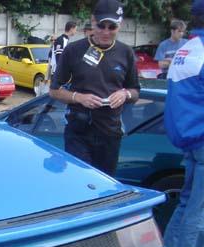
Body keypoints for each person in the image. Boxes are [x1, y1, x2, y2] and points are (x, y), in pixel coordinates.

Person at [49, 0, 140, 177]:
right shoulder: (73, 50)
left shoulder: (126, 52)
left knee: (105, 184)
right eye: (101, 26)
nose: (106, 32)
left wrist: (125, 94)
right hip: (79, 131)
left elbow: (135, 91)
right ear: (92, 21)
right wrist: (79, 97)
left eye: (112, 27)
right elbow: (54, 90)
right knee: (80, 181)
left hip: (110, 132)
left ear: (119, 25)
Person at [162, 1, 204, 247]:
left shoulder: (187, 48)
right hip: (201, 135)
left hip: (189, 136)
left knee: (188, 201)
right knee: (199, 209)